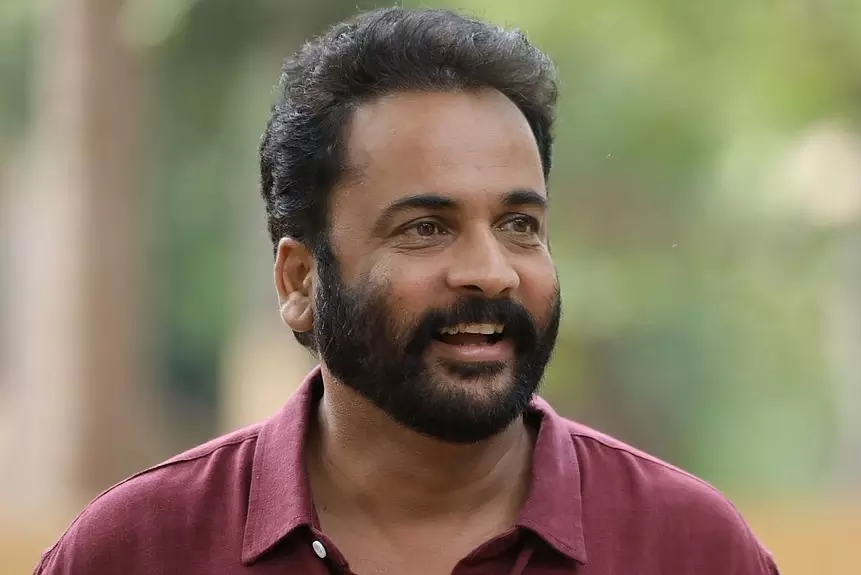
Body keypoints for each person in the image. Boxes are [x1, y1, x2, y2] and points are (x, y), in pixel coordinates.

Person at [34, 7, 779, 575]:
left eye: (519, 224)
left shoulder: (689, 547)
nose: (492, 271)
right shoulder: (139, 550)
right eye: (426, 228)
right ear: (299, 281)